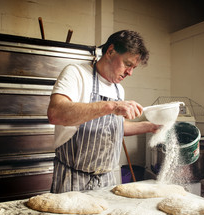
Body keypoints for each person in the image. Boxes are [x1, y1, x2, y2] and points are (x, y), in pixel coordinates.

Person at [47, 30, 159, 193]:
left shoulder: (118, 89)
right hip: (73, 179)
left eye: (133, 67)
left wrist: (151, 126)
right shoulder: (76, 73)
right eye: (128, 64)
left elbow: (115, 127)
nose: (130, 73)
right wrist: (111, 106)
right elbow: (56, 113)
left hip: (107, 179)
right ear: (111, 51)